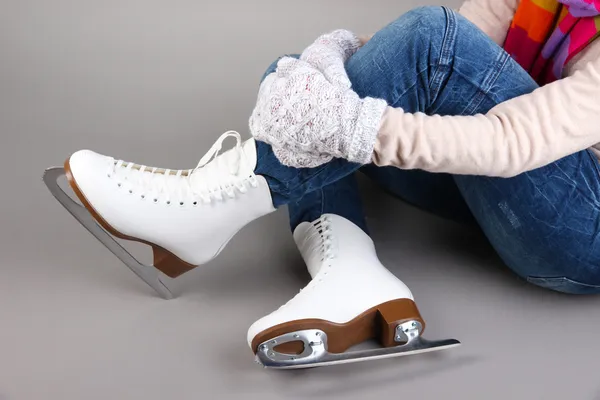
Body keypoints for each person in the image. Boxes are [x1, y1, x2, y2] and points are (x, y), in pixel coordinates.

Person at [60, 0, 600, 367]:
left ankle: (204, 209)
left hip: (580, 229)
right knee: (300, 78)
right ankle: (352, 273)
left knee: (399, 62)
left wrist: (358, 124)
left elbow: (505, 136)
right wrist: (354, 77)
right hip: (506, 187)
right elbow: (465, 64)